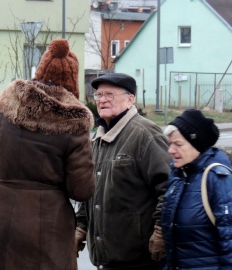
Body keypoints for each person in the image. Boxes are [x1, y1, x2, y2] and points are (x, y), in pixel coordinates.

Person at [0, 39, 95, 270]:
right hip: (47, 222)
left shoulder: (0, 109)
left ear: (39, 70)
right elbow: (82, 189)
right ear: (72, 82)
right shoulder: (74, 123)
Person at [75, 73, 171, 270]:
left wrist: (161, 232)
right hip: (107, 259)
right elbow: (90, 192)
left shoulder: (145, 134)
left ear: (130, 99)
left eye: (109, 94)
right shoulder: (98, 140)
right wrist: (80, 228)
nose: (102, 100)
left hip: (141, 259)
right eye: (98, 95)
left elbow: (169, 188)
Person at [161, 109, 232, 269]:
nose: (171, 150)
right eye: (170, 144)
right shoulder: (179, 176)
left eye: (178, 144)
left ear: (197, 145)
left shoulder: (219, 180)